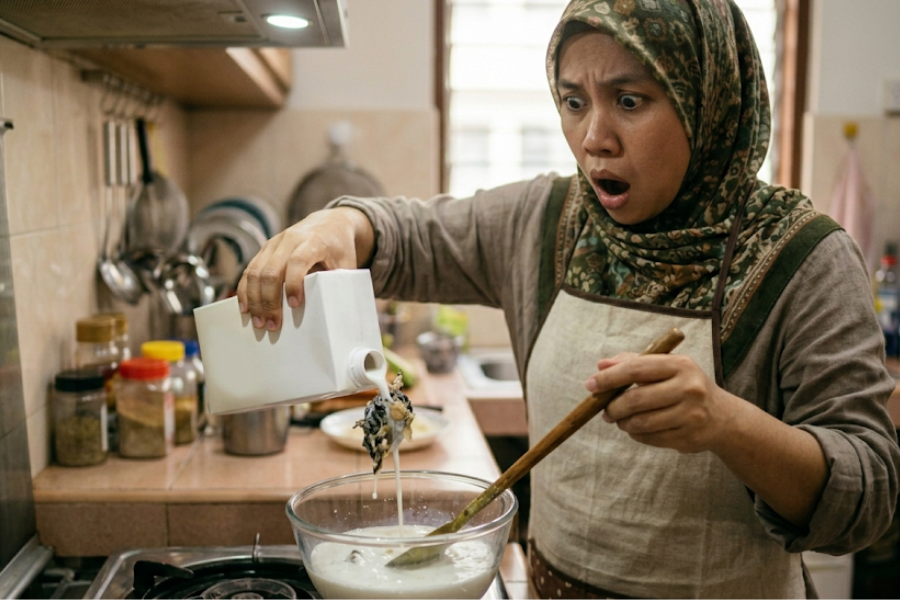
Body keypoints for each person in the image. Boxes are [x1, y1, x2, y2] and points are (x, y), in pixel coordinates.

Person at [238, 0, 900, 596]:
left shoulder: (804, 259)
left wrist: (727, 425)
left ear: (706, 100)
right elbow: (412, 236)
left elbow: (867, 498)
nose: (593, 137)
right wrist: (338, 225)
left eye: (630, 101)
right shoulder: (547, 220)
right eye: (573, 101)